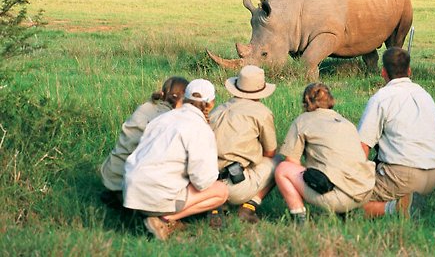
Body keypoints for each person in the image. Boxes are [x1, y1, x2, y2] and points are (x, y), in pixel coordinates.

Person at [123, 79, 229, 241]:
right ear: (211, 103)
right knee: (220, 191)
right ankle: (165, 220)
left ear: (184, 98)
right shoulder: (201, 129)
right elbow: (202, 181)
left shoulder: (161, 119)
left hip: (130, 191)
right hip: (156, 195)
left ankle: (153, 215)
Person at [358, 47, 435, 219]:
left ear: (383, 72)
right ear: (409, 71)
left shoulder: (381, 98)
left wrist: (353, 180)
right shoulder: (425, 95)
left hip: (403, 176)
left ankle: (395, 209)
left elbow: (362, 147)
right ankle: (411, 201)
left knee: (346, 202)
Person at [275, 83, 375, 224]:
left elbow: (291, 162)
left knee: (282, 169)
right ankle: (346, 214)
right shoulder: (346, 122)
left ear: (306, 102)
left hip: (339, 197)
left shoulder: (302, 121)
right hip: (365, 192)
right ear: (330, 100)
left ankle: (299, 218)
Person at [100, 76, 188, 208]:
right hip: (133, 185)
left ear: (162, 94)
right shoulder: (171, 120)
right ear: (185, 100)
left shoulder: (145, 107)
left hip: (110, 177)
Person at [210, 65, 278, 224]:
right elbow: (270, 153)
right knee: (279, 161)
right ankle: (250, 205)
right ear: (261, 91)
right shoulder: (262, 112)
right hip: (236, 183)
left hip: (207, 182)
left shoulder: (218, 110)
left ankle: (215, 206)